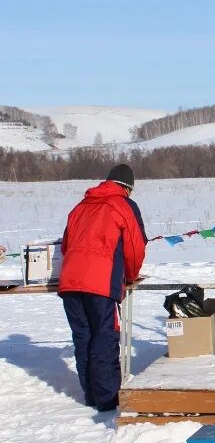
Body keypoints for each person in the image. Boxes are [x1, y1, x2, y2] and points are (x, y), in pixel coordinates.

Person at [58, 164, 147, 411]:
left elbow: (66, 246)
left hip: (70, 282)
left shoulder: (80, 206)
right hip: (100, 282)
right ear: (128, 187)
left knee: (83, 337)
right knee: (104, 337)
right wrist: (130, 275)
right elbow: (134, 247)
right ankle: (107, 399)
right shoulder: (124, 205)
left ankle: (91, 396)